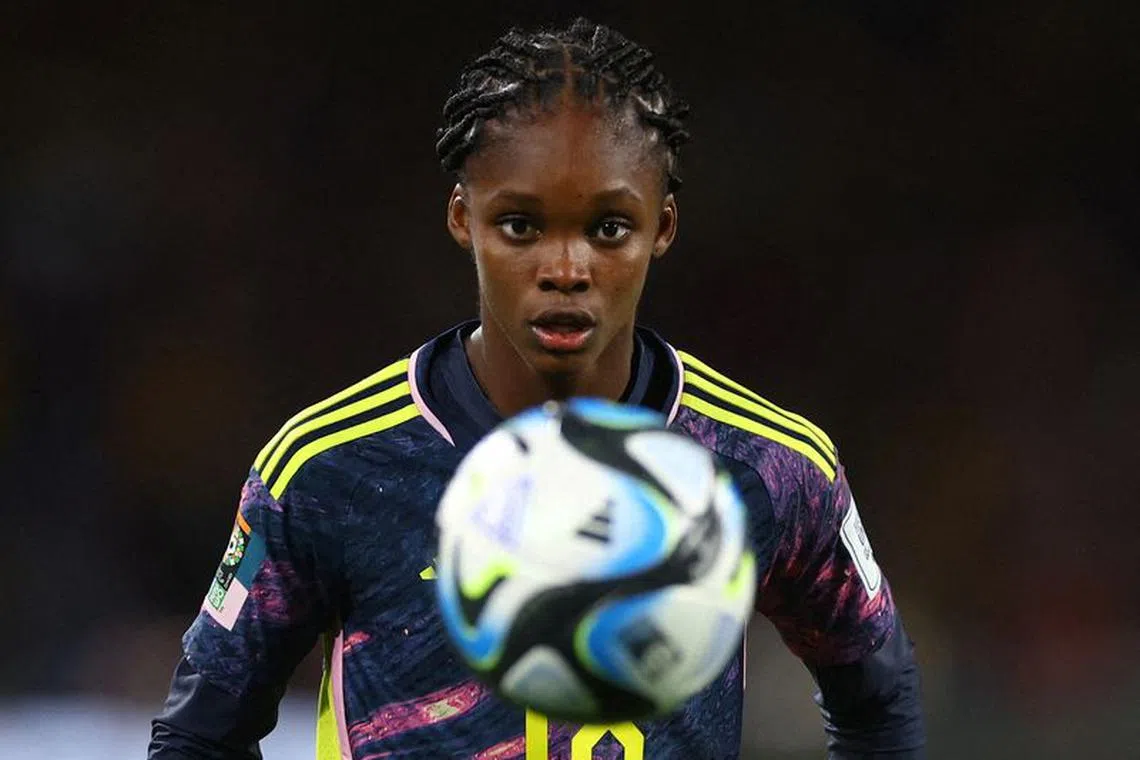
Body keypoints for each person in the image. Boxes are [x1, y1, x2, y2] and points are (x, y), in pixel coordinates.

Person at [149, 18, 925, 760]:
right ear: (463, 218)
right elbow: (198, 738)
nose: (565, 267)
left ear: (664, 226)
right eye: (520, 225)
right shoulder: (326, 468)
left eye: (609, 228)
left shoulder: (773, 467)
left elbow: (879, 700)